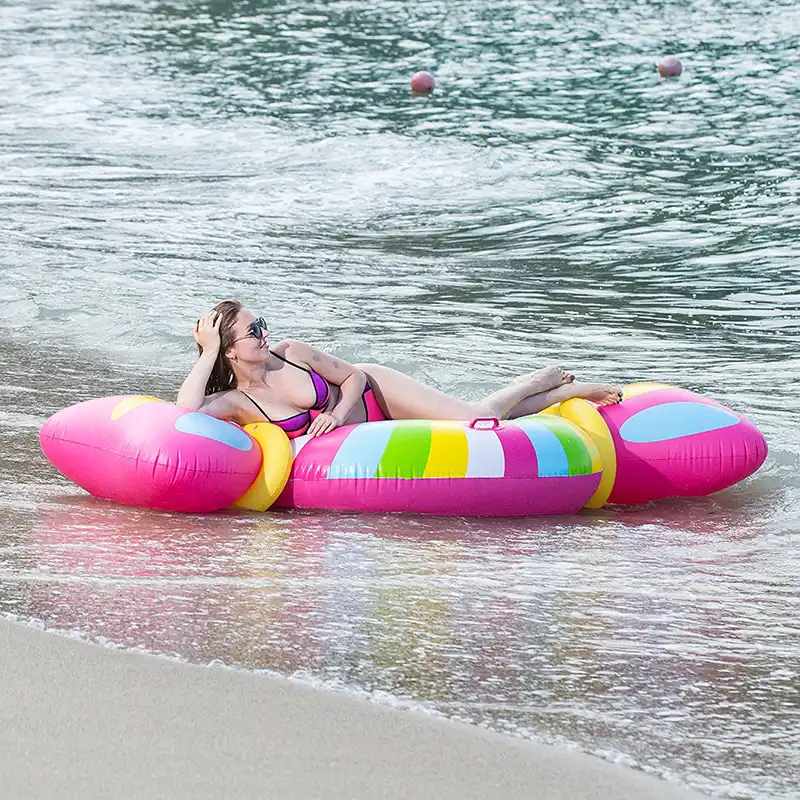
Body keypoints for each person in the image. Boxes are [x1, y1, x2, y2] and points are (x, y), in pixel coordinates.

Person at [176, 300, 622, 438]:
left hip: (375, 392)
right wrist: (208, 348)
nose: (265, 334)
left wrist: (337, 412)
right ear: (230, 352)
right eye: (255, 331)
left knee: (474, 419)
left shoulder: (291, 351)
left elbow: (352, 376)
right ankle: (563, 395)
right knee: (481, 423)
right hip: (366, 427)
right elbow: (186, 413)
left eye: (263, 324)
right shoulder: (236, 400)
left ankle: (538, 383)